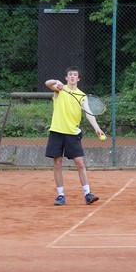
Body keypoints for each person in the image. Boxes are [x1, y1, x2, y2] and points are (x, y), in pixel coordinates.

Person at [44, 67, 106, 206]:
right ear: (66, 78)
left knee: (80, 163)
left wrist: (97, 128)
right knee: (57, 163)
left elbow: (89, 113)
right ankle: (60, 196)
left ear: (78, 79)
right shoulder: (59, 90)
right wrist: (56, 81)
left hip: (72, 133)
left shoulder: (82, 96)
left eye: (75, 75)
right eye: (70, 75)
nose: (72, 76)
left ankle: (88, 194)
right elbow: (47, 83)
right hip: (57, 131)